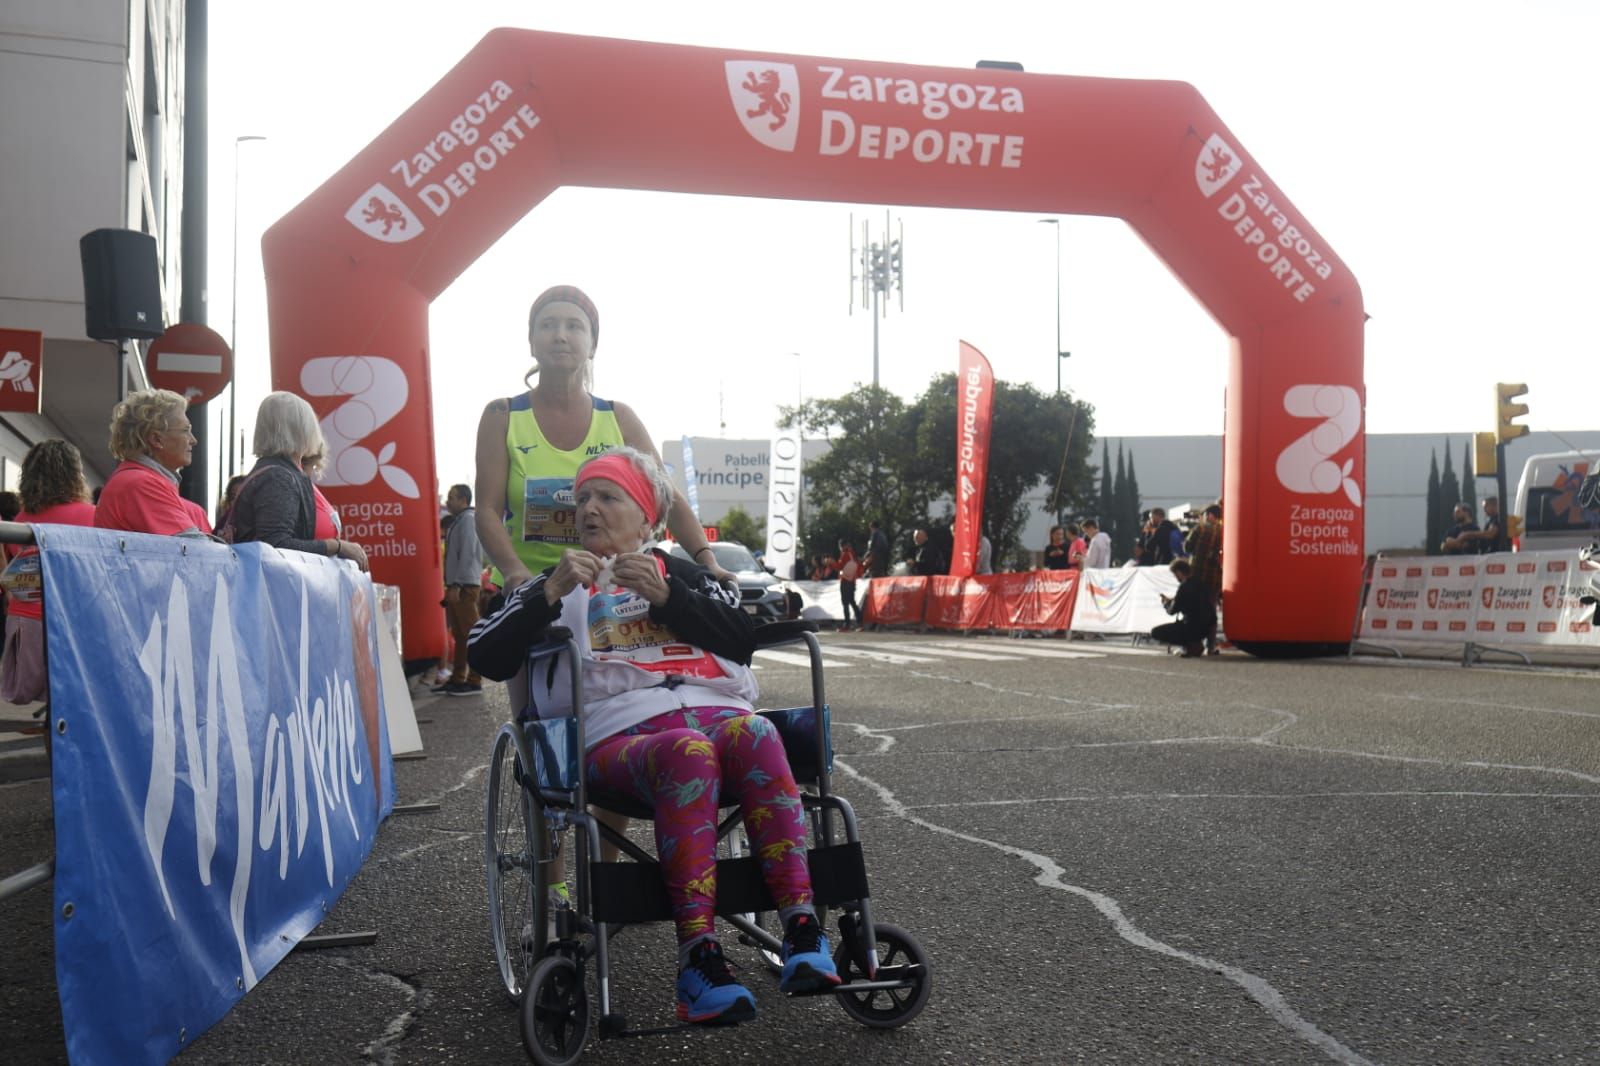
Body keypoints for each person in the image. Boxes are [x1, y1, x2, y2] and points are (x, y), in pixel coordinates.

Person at [467, 448, 840, 1024]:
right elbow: (484, 652)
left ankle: (802, 928)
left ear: (646, 519)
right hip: (618, 737)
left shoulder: (683, 575)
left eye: (607, 497)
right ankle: (698, 956)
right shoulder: (558, 581)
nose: (589, 509)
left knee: (757, 733)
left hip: (716, 715)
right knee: (687, 754)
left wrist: (673, 599)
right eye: (582, 498)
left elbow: (743, 636)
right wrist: (544, 594)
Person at [228, 392, 370, 571]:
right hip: (279, 593)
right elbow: (276, 546)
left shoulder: (282, 473)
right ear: (300, 429)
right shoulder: (278, 478)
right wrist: (337, 546)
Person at [1, 440, 96, 704]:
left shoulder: (19, 522)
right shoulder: (94, 517)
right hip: (72, 621)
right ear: (75, 474)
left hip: (24, 621)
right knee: (73, 703)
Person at [94, 388, 211, 536]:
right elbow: (196, 551)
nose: (193, 440)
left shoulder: (135, 479)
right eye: (185, 430)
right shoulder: (141, 484)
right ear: (157, 439)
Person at [438, 483, 484, 695]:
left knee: (471, 634)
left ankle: (474, 679)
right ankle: (458, 678)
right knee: (461, 634)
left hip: (464, 585)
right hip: (460, 584)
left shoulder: (468, 521)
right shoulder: (461, 521)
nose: (448, 501)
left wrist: (456, 584)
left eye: (452, 497)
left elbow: (466, 554)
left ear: (464, 500)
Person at [1151, 558, 1217, 657]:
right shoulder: (1202, 584)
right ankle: (1197, 644)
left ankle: (1191, 645)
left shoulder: (1184, 587)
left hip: (1191, 627)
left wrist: (1166, 603)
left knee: (1156, 632)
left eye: (1175, 575)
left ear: (1179, 572)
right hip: (1207, 628)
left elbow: (1172, 611)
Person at [1184, 504, 1224, 654]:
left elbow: (1187, 547)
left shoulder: (1199, 528)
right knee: (1210, 611)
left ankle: (1194, 643)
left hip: (1196, 575)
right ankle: (1211, 645)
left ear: (1209, 515)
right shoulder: (1223, 531)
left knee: (1194, 610)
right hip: (1213, 578)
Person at [837, 538, 860, 630]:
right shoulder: (853, 554)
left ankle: (847, 624)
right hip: (852, 581)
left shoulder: (845, 555)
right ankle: (859, 621)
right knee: (852, 601)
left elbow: (839, 566)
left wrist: (832, 562)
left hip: (845, 581)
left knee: (845, 602)